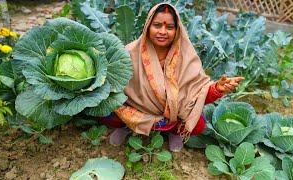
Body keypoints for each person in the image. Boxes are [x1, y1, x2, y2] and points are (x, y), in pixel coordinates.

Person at [98, 3, 244, 152]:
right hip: (136, 111)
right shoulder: (129, 53)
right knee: (107, 111)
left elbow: (198, 92)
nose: (162, 31)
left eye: (169, 27)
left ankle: (173, 132)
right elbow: (113, 84)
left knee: (198, 124)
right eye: (157, 25)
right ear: (148, 26)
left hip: (171, 115)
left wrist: (218, 88)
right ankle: (127, 126)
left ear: (177, 30)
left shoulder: (186, 57)